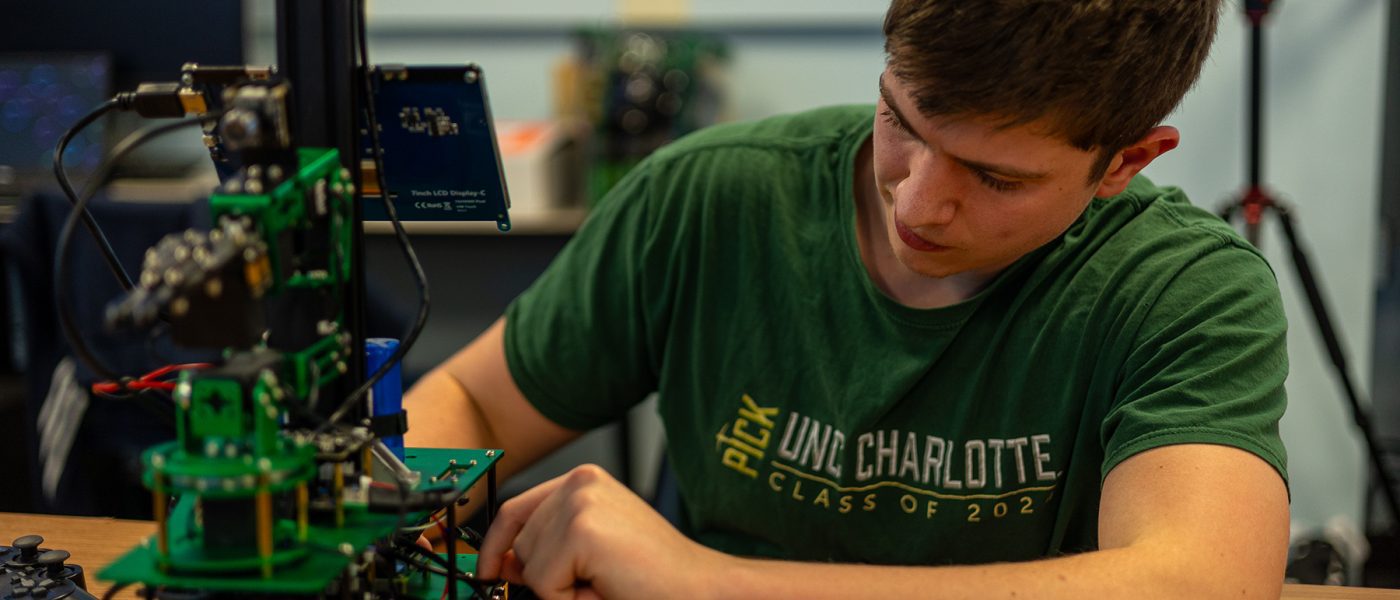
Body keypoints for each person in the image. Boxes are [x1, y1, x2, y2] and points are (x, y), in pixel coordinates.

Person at [405, 1, 1291, 597]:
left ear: (1128, 161)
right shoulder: (710, 199)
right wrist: (386, 531)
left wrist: (709, 581)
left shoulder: (1184, 293)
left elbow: (1201, 579)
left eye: (995, 177)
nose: (914, 200)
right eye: (902, 121)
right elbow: (476, 400)